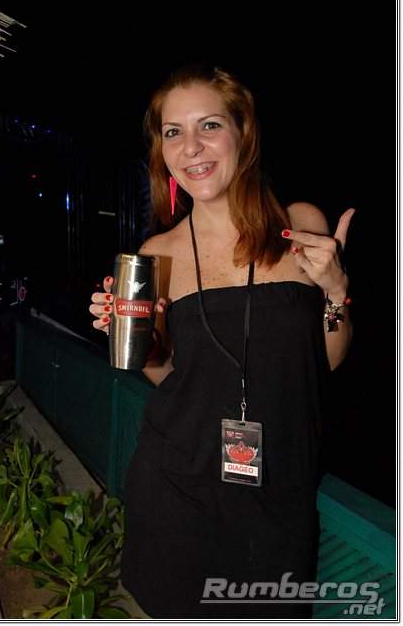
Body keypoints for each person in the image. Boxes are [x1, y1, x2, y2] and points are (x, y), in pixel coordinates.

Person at [88, 64, 355, 618]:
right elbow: (167, 375)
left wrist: (335, 290)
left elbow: (326, 362)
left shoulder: (299, 224)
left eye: (209, 125)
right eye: (173, 132)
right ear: (161, 152)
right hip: (176, 489)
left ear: (243, 132)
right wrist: (133, 337)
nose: (191, 147)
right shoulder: (156, 254)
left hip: (280, 492)